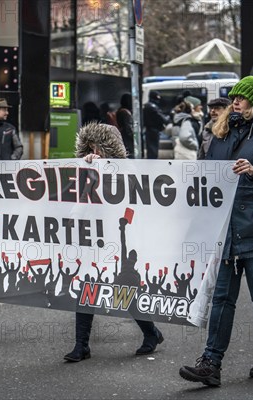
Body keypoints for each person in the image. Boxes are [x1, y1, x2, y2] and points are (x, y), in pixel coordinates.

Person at [179, 76, 253, 386]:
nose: (235, 102)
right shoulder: (221, 134)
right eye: (234, 98)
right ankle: (210, 364)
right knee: (222, 299)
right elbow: (206, 175)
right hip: (226, 231)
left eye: (242, 98)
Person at [63, 122, 164, 362]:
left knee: (123, 291)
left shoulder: (126, 169)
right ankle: (81, 345)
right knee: (85, 288)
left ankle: (151, 333)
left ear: (111, 147)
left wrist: (103, 170)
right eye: (90, 147)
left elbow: (130, 199)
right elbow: (79, 198)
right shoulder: (87, 168)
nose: (94, 152)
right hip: (92, 238)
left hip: (116, 240)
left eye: (98, 147)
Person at [143, 91, 170, 159]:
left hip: (150, 130)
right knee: (153, 151)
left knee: (152, 150)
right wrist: (170, 116)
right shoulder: (152, 107)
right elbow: (162, 119)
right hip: (153, 131)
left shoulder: (147, 106)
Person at [116, 93, 134, 158]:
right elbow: (128, 127)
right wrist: (134, 137)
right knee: (130, 153)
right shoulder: (125, 112)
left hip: (123, 134)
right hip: (127, 137)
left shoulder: (120, 110)